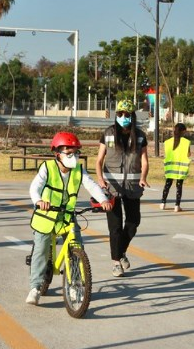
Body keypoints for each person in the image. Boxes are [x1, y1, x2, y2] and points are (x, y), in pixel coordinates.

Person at [26, 132, 112, 305]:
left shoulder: (79, 170)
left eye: (76, 152)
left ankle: (75, 286)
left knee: (77, 245)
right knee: (41, 247)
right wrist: (39, 201)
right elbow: (34, 188)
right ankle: (35, 287)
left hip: (67, 216)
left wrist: (103, 199)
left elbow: (92, 185)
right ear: (57, 153)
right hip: (46, 215)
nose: (74, 156)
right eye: (69, 152)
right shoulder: (47, 167)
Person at [96, 99, 150, 277]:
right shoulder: (109, 133)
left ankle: (121, 252)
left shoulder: (140, 136)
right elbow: (99, 160)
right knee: (115, 227)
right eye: (120, 114)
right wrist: (100, 180)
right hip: (111, 188)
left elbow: (144, 160)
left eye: (127, 115)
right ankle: (115, 262)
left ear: (132, 116)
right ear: (116, 115)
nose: (123, 117)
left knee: (133, 223)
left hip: (133, 187)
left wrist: (143, 177)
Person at [161, 123, 191, 212]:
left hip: (170, 167)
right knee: (179, 186)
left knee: (167, 185)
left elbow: (165, 153)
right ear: (183, 131)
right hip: (181, 168)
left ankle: (163, 203)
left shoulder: (167, 142)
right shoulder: (186, 142)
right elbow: (188, 154)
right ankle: (177, 205)